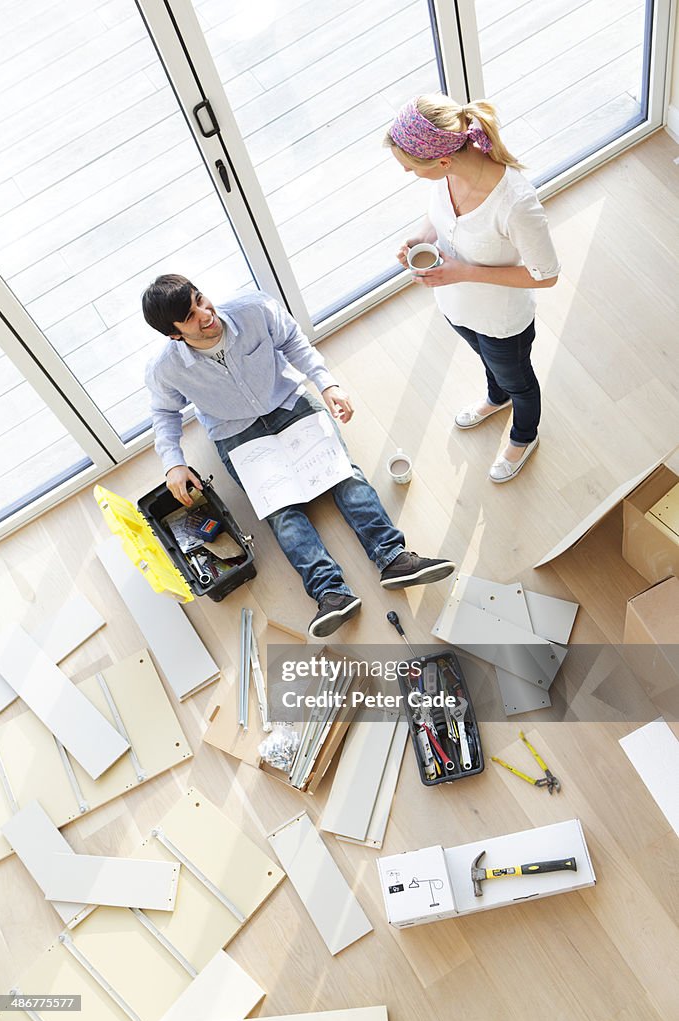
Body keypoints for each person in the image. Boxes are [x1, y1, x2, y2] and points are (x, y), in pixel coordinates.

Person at [142, 275, 455, 637]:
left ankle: (394, 559)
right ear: (175, 334)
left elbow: (293, 341)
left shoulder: (253, 309)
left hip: (288, 401)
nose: (204, 313)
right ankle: (331, 594)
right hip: (235, 430)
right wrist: (174, 463)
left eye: (199, 299)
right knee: (280, 509)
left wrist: (327, 383)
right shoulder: (165, 368)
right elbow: (164, 414)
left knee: (342, 474)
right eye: (189, 315)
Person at [386, 95, 560, 482]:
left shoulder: (516, 205)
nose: (406, 173)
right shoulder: (448, 173)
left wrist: (463, 271)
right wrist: (420, 236)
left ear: (443, 160)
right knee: (489, 364)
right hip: (456, 306)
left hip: (500, 319)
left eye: (410, 168)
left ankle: (524, 435)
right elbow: (443, 219)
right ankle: (497, 399)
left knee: (520, 381)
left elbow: (546, 275)